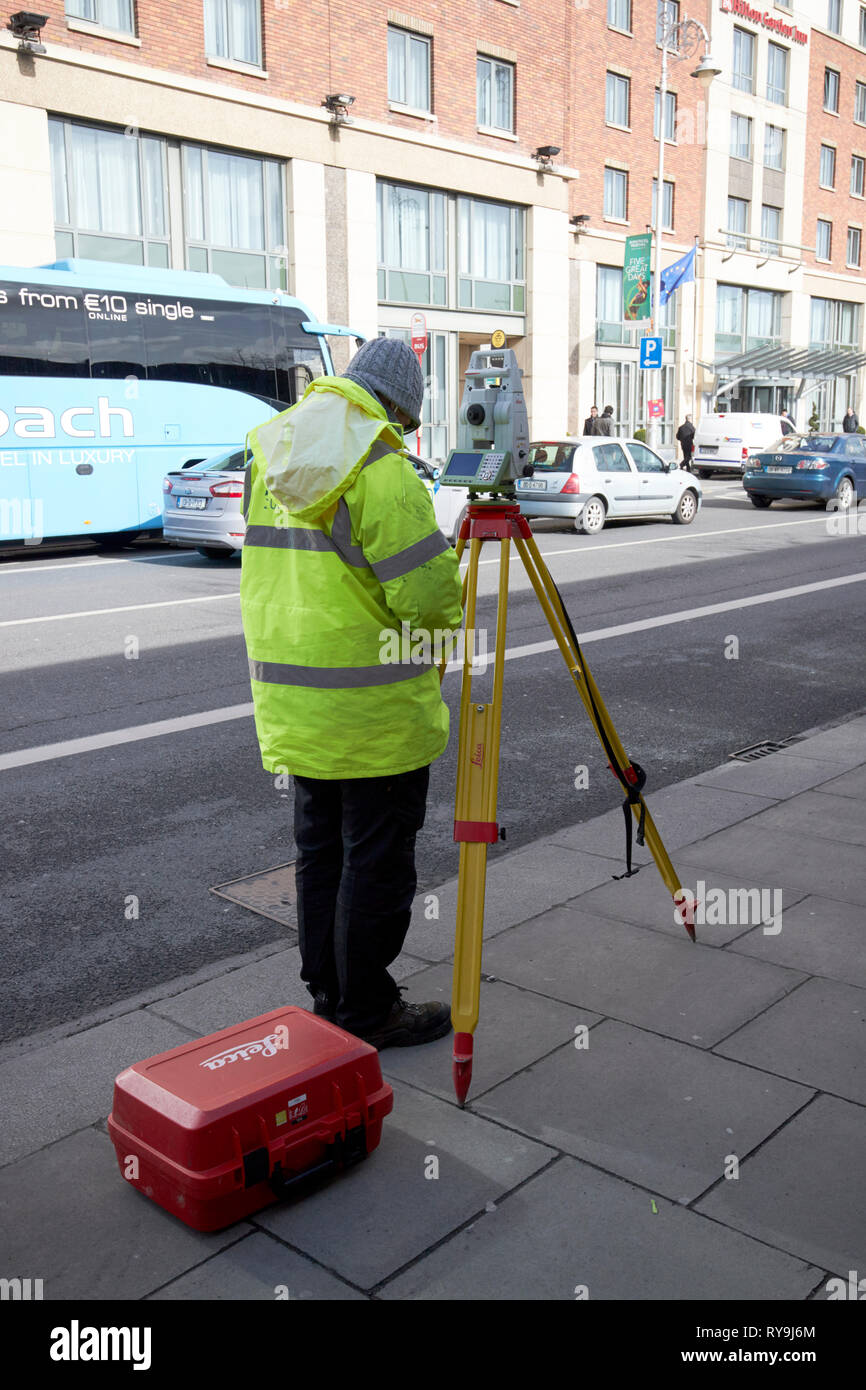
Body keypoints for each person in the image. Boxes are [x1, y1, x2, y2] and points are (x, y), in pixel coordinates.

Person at [240, 338, 464, 1049]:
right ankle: (368, 1008)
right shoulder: (379, 463)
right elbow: (429, 602)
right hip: (374, 716)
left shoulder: (269, 448)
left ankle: (330, 992)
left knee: (321, 855)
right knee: (376, 861)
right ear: (397, 405)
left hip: (297, 705)